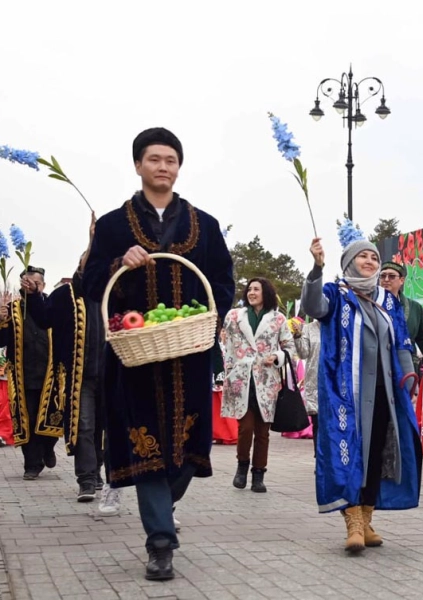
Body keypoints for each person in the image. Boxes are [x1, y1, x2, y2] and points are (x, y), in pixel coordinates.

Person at [82, 127, 234, 581]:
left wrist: (206, 323)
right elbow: (91, 284)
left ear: (178, 167)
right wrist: (115, 264)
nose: (162, 166)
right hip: (136, 360)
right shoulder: (112, 225)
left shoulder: (204, 225)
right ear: (138, 165)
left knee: (190, 450)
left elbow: (222, 284)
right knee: (146, 448)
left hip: (189, 356)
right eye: (154, 159)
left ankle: (163, 509)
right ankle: (160, 543)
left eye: (170, 159)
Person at [301, 233, 422, 553]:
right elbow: (312, 307)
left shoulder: (387, 299)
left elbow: (401, 340)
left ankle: (367, 520)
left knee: (377, 453)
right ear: (348, 262)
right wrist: (316, 268)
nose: (369, 262)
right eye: (362, 256)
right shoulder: (335, 293)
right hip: (347, 394)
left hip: (386, 391)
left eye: (373, 258)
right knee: (350, 454)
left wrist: (409, 377)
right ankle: (352, 522)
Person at [22, 218, 107, 502]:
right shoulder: (62, 296)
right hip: (79, 376)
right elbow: (44, 318)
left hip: (108, 375)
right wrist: (33, 296)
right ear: (81, 267)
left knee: (103, 428)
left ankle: (97, 472)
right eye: (88, 262)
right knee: (83, 425)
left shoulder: (109, 294)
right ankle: (85, 479)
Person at [220, 277, 298, 493]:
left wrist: (276, 356)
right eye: (249, 289)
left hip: (266, 380)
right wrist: (229, 371)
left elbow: (290, 347)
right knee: (245, 428)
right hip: (241, 378)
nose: (251, 292)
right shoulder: (235, 315)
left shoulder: (279, 319)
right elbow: (227, 345)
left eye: (256, 289)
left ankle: (259, 474)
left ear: (266, 293)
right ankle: (242, 466)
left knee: (263, 432)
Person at [0, 267, 60, 479]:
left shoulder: (52, 306)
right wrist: (1, 320)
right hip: (23, 375)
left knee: (53, 418)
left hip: (51, 375)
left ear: (42, 285)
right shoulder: (12, 309)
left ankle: (48, 448)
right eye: (25, 283)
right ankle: (32, 465)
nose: (29, 287)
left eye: (33, 283)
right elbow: (2, 342)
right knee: (28, 419)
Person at [379, 262, 423, 394]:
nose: (386, 280)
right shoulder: (371, 304)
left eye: (391, 276)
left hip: (406, 369)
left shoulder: (414, 308)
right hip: (378, 370)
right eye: (383, 276)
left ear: (402, 280)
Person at [295, 317, 321, 454]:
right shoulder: (309, 328)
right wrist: (298, 335)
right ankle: (319, 460)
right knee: (317, 423)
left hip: (335, 382)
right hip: (315, 381)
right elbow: (303, 353)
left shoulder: (339, 326)